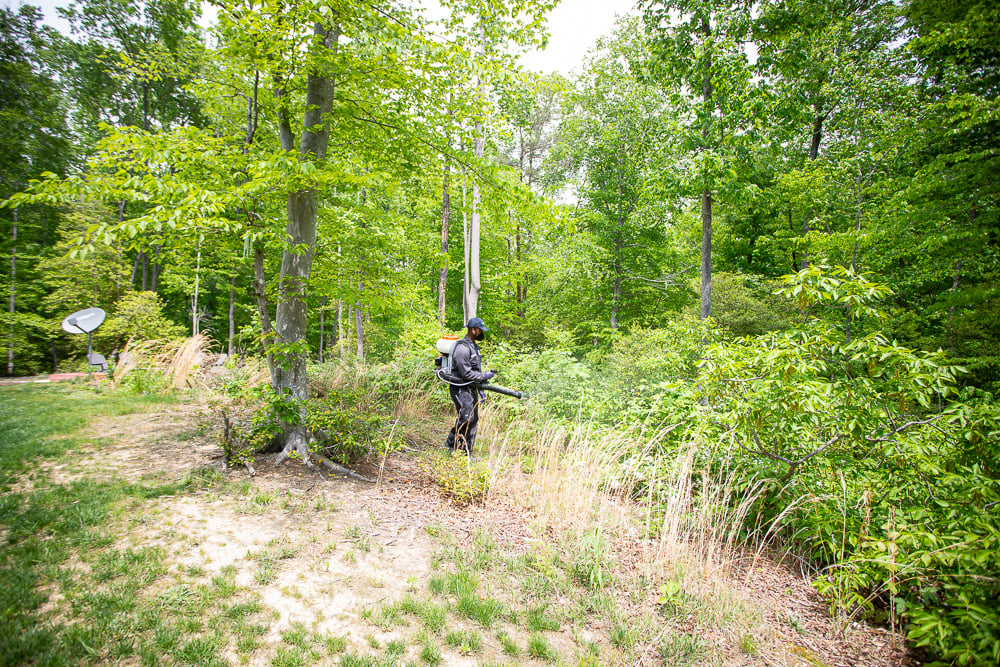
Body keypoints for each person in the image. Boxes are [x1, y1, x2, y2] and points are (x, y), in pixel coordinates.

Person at [445, 317, 495, 455]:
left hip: (471, 388)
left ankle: (467, 451)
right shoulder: (462, 348)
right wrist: (485, 376)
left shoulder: (474, 347)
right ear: (473, 330)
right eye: (480, 330)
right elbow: (466, 374)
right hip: (460, 388)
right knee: (466, 417)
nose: (481, 333)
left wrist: (480, 389)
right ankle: (450, 444)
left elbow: (475, 370)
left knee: (473, 419)